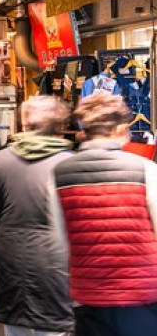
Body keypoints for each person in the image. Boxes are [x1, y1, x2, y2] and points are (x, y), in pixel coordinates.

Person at [51, 92, 157, 335]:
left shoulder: (61, 173)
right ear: (119, 128)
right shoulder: (145, 170)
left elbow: (58, 242)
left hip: (89, 296)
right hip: (142, 296)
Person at [0, 96, 74, 336]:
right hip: (57, 259)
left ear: (25, 124)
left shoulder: (0, 160)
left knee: (16, 325)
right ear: (60, 126)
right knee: (53, 327)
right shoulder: (69, 163)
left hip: (10, 256)